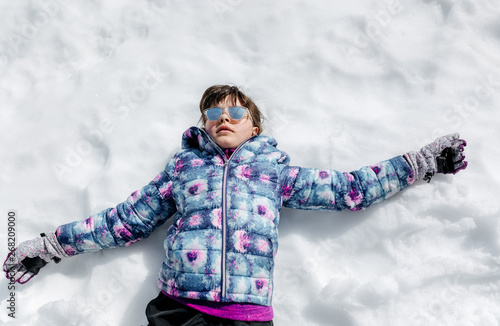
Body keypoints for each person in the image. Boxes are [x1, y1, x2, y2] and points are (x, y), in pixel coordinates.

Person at [3, 85, 467, 326]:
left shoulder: (275, 173)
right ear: (204, 125)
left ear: (254, 126)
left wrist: (421, 161)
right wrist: (51, 246)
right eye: (213, 112)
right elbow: (125, 221)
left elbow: (349, 189)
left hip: (247, 316)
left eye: (236, 111)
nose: (224, 116)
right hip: (179, 312)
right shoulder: (182, 171)